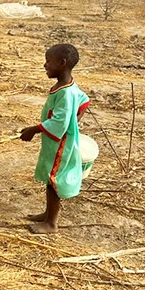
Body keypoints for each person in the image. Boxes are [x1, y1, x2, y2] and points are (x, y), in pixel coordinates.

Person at [20, 44, 92, 234]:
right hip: (54, 141)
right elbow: (84, 101)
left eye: (48, 61)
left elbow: (60, 121)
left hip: (61, 143)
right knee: (49, 176)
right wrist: (74, 121)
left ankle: (51, 223)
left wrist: (34, 130)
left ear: (62, 63)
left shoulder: (66, 93)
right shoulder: (66, 86)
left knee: (54, 180)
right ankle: (47, 213)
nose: (45, 65)